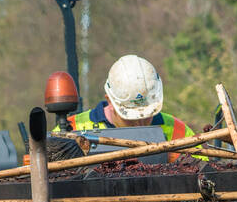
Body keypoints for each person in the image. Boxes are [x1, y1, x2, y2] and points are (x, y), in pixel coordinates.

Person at [55, 54, 196, 142]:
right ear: (110, 101)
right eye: (131, 118)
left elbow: (206, 171)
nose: (140, 124)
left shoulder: (179, 132)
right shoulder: (70, 131)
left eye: (148, 116)